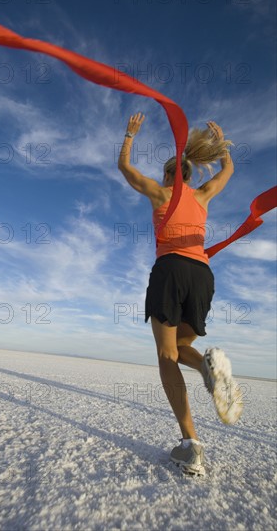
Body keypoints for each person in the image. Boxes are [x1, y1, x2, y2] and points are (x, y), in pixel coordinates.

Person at [118, 112, 243, 476]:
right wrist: (221, 149)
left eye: (165, 172)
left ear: (172, 174)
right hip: (202, 274)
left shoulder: (160, 193)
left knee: (166, 356)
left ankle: (191, 445)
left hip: (170, 270)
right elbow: (228, 173)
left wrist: (129, 134)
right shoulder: (203, 196)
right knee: (183, 347)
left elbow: (125, 168)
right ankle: (209, 370)